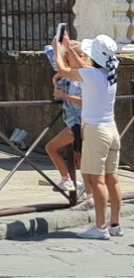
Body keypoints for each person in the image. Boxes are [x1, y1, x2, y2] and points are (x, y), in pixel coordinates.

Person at [53, 32, 122, 239]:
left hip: (95, 131)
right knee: (113, 179)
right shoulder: (109, 72)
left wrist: (57, 49)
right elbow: (82, 67)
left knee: (97, 180)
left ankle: (100, 227)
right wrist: (70, 47)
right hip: (111, 129)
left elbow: (63, 69)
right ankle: (115, 225)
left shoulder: (90, 75)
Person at [45, 44, 84, 198]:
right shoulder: (70, 77)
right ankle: (77, 183)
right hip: (75, 122)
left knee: (53, 148)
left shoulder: (81, 77)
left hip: (77, 122)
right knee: (79, 155)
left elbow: (82, 100)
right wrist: (56, 83)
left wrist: (63, 95)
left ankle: (70, 180)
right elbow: (58, 94)